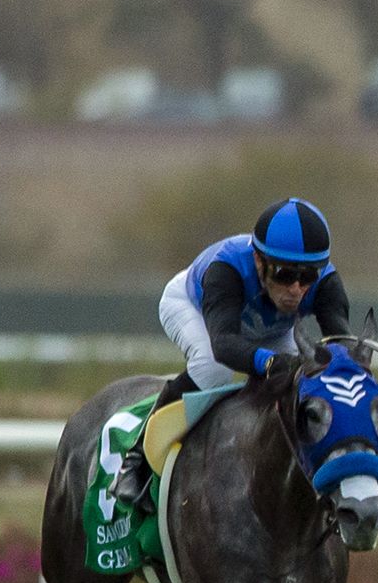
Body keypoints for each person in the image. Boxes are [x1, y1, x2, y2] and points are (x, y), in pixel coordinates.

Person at [109, 197, 351, 506]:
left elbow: (341, 343)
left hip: (272, 329)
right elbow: (223, 344)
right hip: (193, 307)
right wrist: (270, 361)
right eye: (284, 274)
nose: (296, 289)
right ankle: (136, 460)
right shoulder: (227, 268)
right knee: (213, 370)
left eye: (307, 276)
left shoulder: (327, 282)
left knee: (300, 382)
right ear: (259, 261)